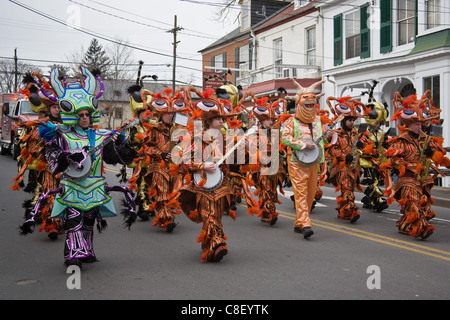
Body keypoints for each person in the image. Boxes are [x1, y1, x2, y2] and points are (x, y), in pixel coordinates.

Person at [20, 66, 137, 269]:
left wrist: (120, 144)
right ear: (73, 114)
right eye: (80, 114)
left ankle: (85, 251)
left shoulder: (101, 136)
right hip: (72, 187)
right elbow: (53, 162)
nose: (84, 117)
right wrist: (68, 156)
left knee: (89, 223)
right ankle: (72, 255)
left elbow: (114, 159)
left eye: (87, 114)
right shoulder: (61, 135)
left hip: (95, 188)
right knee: (73, 221)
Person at [171, 87, 256, 262]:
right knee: (208, 214)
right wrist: (202, 166)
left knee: (216, 215)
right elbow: (186, 160)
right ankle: (216, 244)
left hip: (221, 183)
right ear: (209, 121)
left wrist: (246, 148)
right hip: (203, 185)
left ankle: (212, 243)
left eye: (221, 119)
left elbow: (236, 160)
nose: (220, 122)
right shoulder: (197, 139)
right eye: (217, 118)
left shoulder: (224, 140)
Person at [382, 92, 450, 240]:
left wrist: (432, 152)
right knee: (413, 203)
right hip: (407, 178)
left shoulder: (426, 139)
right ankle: (422, 229)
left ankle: (405, 224)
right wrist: (410, 166)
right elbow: (393, 159)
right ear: (409, 125)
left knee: (423, 204)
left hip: (423, 178)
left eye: (421, 124)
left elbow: (438, 153)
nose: (420, 127)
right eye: (417, 124)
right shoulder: (402, 140)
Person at [13, 72, 62, 240]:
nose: (57, 109)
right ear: (49, 108)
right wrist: (42, 152)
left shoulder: (68, 124)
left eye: (59, 107)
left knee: (66, 195)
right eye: (54, 107)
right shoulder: (41, 125)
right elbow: (32, 145)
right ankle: (51, 225)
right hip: (48, 166)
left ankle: (61, 221)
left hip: (66, 167)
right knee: (50, 192)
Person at [132, 87, 187, 232]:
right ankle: (166, 219)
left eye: (171, 113)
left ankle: (167, 213)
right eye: (166, 113)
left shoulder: (179, 128)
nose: (169, 116)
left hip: (175, 167)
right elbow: (147, 147)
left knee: (173, 193)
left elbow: (185, 145)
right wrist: (159, 153)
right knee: (162, 192)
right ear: (160, 114)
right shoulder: (154, 129)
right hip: (158, 167)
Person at [281, 78, 329, 238]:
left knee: (310, 194)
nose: (310, 105)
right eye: (305, 102)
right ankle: (306, 222)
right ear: (298, 104)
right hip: (296, 161)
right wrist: (301, 144)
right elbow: (285, 138)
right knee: (300, 192)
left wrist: (322, 161)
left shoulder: (317, 122)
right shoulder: (290, 121)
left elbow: (319, 142)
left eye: (312, 103)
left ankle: (299, 222)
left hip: (313, 162)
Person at [326, 96, 366, 223]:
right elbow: (331, 149)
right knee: (346, 188)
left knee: (350, 190)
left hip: (354, 167)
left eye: (352, 120)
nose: (351, 122)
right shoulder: (336, 133)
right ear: (343, 120)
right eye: (349, 120)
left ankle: (343, 209)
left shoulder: (356, 133)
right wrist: (344, 156)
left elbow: (364, 147)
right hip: (342, 167)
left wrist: (361, 145)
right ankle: (350, 211)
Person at [248, 97, 286, 225]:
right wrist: (264, 159)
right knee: (266, 189)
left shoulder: (276, 133)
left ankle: (266, 212)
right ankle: (270, 213)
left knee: (273, 190)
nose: (271, 121)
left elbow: (281, 149)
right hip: (262, 167)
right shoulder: (256, 135)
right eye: (268, 119)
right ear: (262, 121)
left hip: (275, 166)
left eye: (272, 119)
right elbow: (253, 153)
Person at [359, 81, 390, 212]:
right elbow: (360, 147)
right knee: (373, 181)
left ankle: (368, 201)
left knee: (377, 180)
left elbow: (385, 146)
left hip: (380, 161)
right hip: (368, 161)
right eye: (377, 123)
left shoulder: (382, 133)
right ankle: (379, 201)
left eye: (380, 123)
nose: (379, 125)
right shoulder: (364, 132)